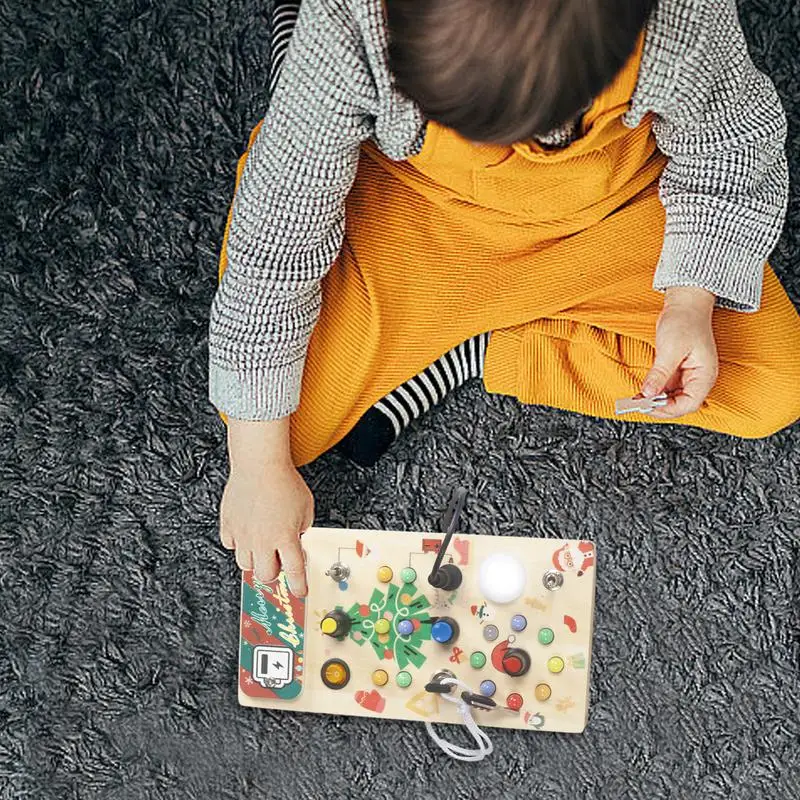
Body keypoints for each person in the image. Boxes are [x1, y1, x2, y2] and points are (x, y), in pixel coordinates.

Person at [208, 0, 800, 596]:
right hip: (419, 215)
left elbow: (730, 150)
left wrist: (688, 300)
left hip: (607, 220)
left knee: (771, 382)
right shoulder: (348, 21)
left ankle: (479, 348)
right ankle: (297, 68)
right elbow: (278, 237)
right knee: (275, 425)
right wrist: (259, 466)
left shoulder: (682, 16)